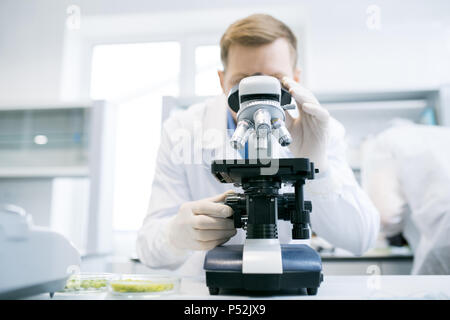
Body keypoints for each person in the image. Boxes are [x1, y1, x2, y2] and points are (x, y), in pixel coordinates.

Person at [136, 14, 380, 276]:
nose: (257, 97)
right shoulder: (181, 131)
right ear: (222, 81)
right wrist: (175, 235)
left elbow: (360, 238)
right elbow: (147, 248)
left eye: (274, 80)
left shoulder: (322, 129)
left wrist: (317, 166)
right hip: (207, 291)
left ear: (295, 79)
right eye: (241, 83)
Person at [361, 120, 450, 274]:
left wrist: (391, 234)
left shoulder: (382, 143)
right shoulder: (441, 134)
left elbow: (387, 215)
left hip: (443, 236)